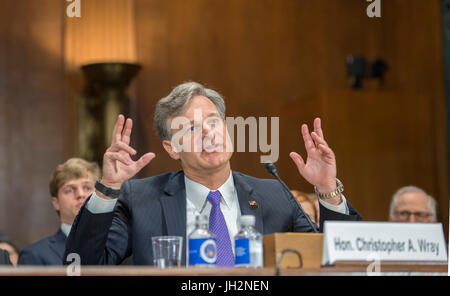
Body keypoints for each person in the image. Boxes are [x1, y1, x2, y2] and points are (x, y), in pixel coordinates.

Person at [64, 81, 362, 266]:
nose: (208, 133)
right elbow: (81, 265)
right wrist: (107, 189)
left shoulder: (273, 195)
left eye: (213, 122)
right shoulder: (141, 199)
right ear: (172, 148)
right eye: (191, 128)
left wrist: (327, 190)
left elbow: (335, 262)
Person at [18, 158, 100, 265]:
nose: (80, 194)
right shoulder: (35, 255)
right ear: (56, 203)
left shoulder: (118, 248)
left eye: (87, 188)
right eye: (69, 190)